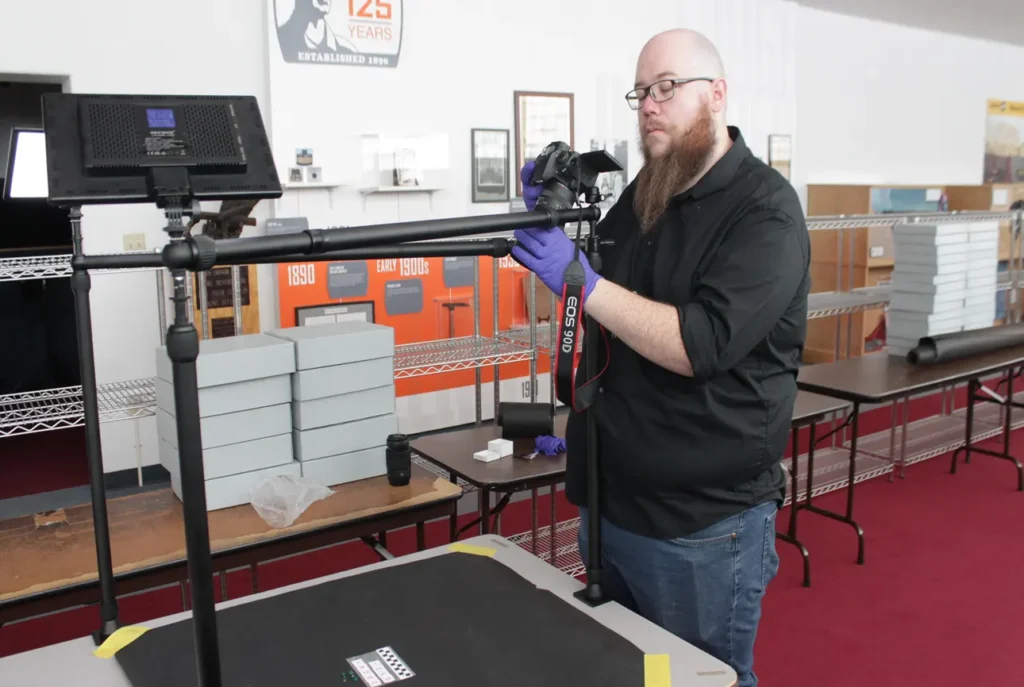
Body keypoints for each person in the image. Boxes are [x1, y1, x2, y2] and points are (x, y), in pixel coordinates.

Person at [512, 28, 810, 687]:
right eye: (641, 91)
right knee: (624, 671)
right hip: (609, 500)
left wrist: (584, 280)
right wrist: (556, 250)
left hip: (701, 527)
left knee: (701, 678)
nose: (649, 103)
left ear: (717, 96)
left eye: (667, 87)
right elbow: (600, 314)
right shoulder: (646, 194)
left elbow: (697, 344)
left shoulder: (766, 214)